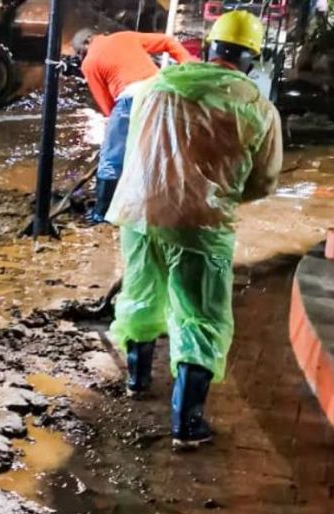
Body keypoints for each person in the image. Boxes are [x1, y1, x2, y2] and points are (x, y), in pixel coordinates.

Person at [105, 11, 283, 449]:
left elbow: (130, 148)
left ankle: (136, 380)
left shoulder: (157, 86)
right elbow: (263, 181)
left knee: (141, 295)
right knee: (200, 316)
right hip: (201, 226)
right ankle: (187, 425)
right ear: (250, 60)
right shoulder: (258, 108)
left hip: (138, 212)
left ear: (211, 47)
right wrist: (216, 194)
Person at [71, 27, 197, 223]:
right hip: (164, 93)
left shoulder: (89, 62)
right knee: (164, 152)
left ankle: (101, 213)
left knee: (111, 160)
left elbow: (107, 107)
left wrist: (117, 131)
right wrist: (189, 64)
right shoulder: (125, 36)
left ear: (83, 48)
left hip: (130, 99)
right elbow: (167, 41)